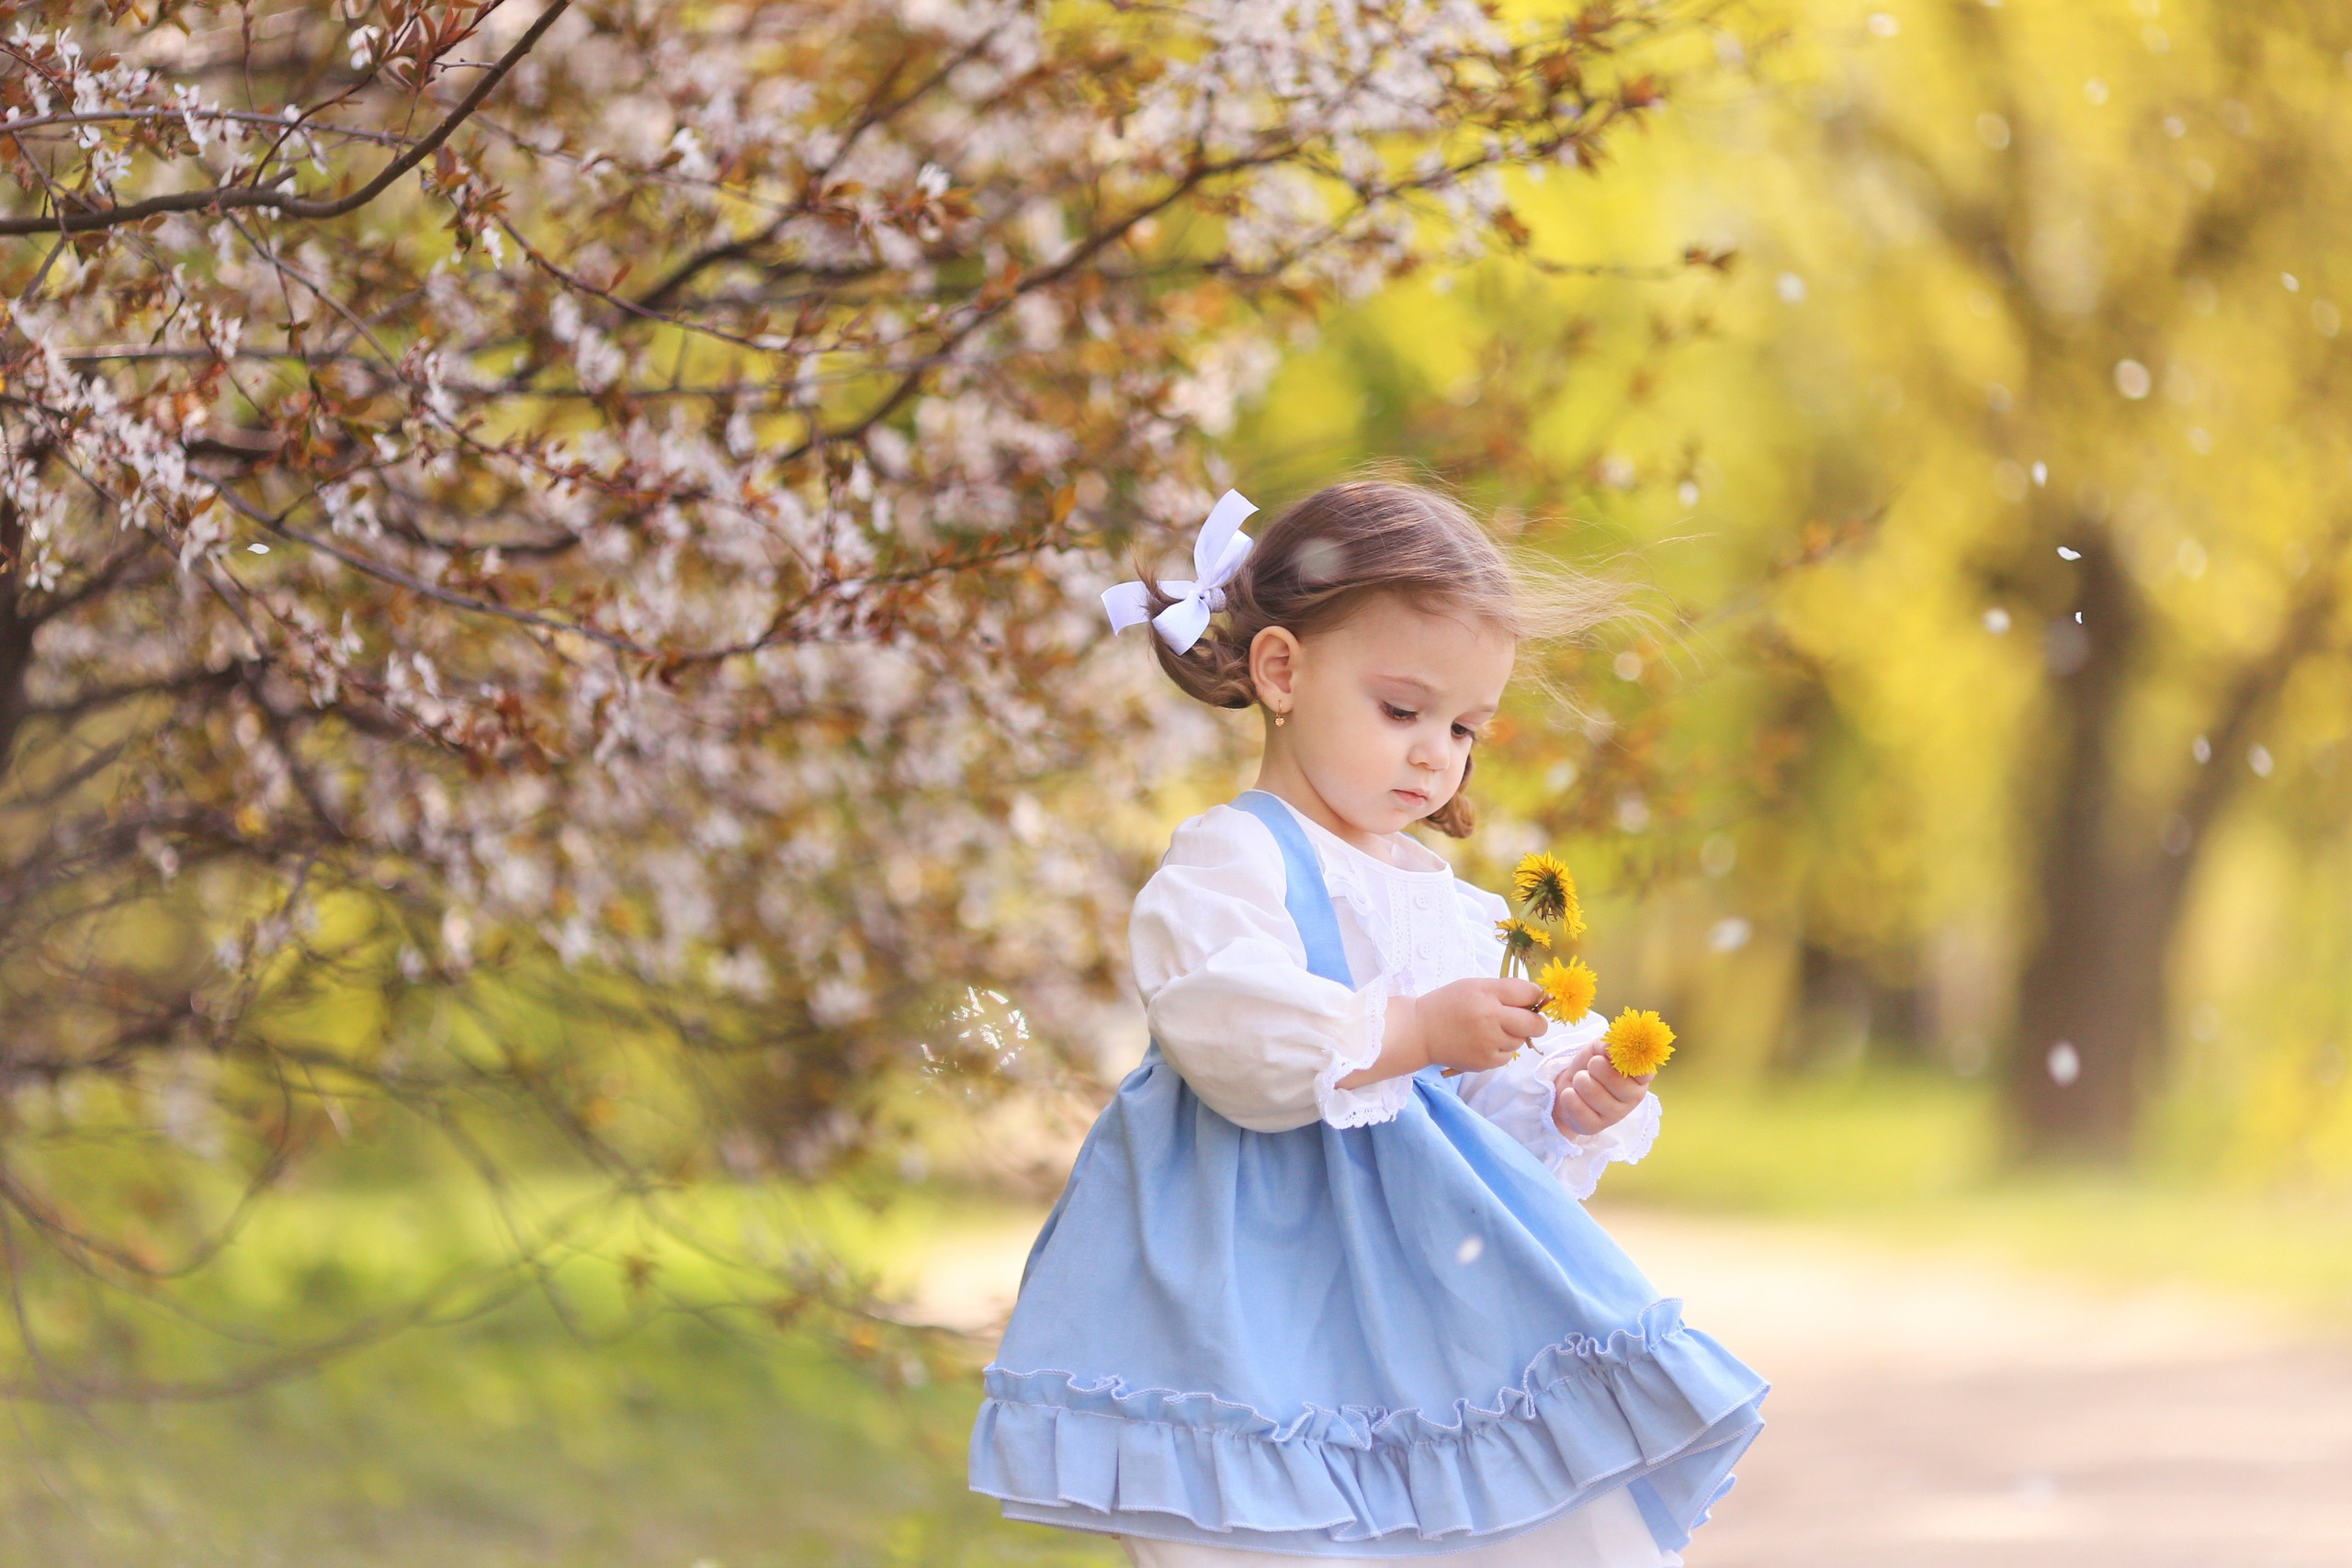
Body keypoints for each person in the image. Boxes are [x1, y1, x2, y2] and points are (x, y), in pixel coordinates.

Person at [969, 479, 1767, 1565]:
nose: (1436, 753)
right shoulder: (1232, 859)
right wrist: (1414, 1031)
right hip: (1249, 1283)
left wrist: (1561, 1094)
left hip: (1425, 1281)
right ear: (1283, 671)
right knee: (1263, 1527)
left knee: (1484, 1518)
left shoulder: (1438, 897)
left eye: (1463, 727)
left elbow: (1469, 1091)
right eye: (1403, 711)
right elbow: (1230, 1036)